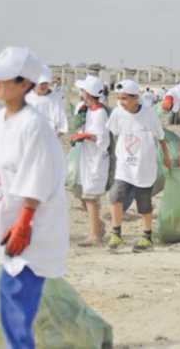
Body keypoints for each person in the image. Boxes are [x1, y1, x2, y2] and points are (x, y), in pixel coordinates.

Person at [0, 46, 69, 349]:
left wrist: (23, 224)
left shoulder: (33, 126)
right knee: (11, 304)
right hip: (8, 229)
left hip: (27, 233)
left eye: (4, 80)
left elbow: (37, 180)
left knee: (15, 305)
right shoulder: (2, 121)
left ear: (24, 84)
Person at [107, 79, 171, 252]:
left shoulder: (149, 114)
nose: (121, 102)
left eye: (125, 98)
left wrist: (166, 157)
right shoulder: (117, 113)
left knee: (143, 202)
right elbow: (115, 134)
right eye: (119, 98)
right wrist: (121, 154)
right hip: (124, 166)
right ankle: (116, 233)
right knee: (116, 194)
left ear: (136, 97)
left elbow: (161, 137)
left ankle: (147, 237)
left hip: (144, 166)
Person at [71, 75, 111, 247]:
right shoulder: (88, 111)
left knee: (90, 197)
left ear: (87, 94)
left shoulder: (100, 113)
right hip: (88, 159)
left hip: (96, 160)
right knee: (82, 193)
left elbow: (103, 140)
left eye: (83, 91)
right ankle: (98, 226)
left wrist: (86, 136)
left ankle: (95, 236)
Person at [25, 65, 69, 138]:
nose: (44, 86)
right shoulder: (27, 98)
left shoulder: (56, 99)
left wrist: (51, 140)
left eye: (46, 83)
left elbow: (62, 127)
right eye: (41, 83)